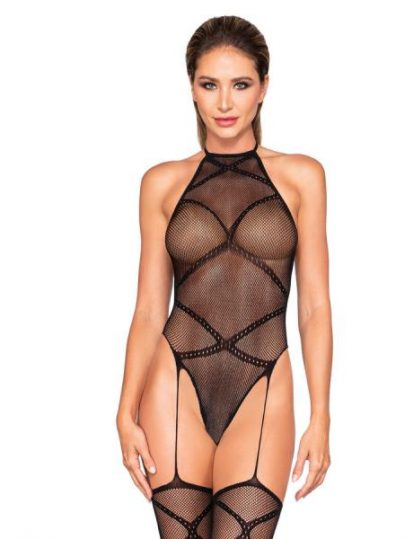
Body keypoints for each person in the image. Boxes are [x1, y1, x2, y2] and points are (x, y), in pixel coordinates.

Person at [116, 15, 333, 538]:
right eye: (209, 85)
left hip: (264, 380)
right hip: (173, 380)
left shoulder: (302, 176)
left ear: (264, 88)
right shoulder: (161, 183)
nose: (225, 103)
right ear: (192, 88)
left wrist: (322, 415)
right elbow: (148, 309)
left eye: (240, 85)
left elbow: (314, 307)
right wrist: (124, 411)